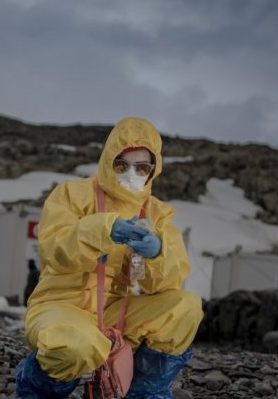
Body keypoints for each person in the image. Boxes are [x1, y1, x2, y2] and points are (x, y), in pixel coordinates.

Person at [15, 118, 203, 399]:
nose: (131, 173)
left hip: (116, 310)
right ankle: (37, 390)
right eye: (121, 164)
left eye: (142, 167)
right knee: (76, 345)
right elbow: (55, 250)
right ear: (107, 161)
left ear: (154, 169)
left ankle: (141, 392)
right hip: (60, 303)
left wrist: (158, 252)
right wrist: (103, 230)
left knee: (185, 308)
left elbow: (169, 283)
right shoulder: (71, 195)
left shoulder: (158, 213)